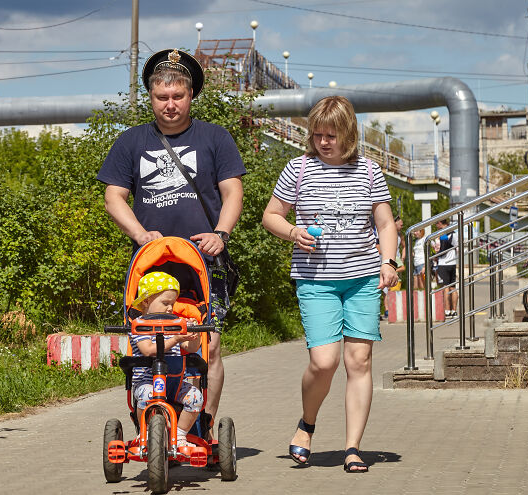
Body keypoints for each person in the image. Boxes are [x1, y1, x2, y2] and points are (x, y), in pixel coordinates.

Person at [97, 48, 246, 429]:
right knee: (146, 342)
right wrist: (140, 234)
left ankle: (203, 425)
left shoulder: (215, 137)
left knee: (208, 344)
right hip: (151, 264)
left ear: (191, 94)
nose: (170, 105)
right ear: (151, 97)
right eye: (161, 97)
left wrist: (221, 234)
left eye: (178, 96)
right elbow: (113, 197)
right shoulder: (131, 142)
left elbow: (233, 192)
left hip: (202, 262)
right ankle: (151, 420)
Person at [261, 96, 398, 472]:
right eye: (318, 134)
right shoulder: (298, 169)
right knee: (324, 362)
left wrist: (388, 262)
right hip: (315, 280)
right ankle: (307, 423)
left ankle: (352, 448)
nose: (323, 141)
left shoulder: (369, 171)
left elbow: (385, 224)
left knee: (359, 362)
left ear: (348, 134)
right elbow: (271, 215)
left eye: (331, 135)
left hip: (363, 279)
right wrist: (293, 232)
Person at [129, 272, 203, 447]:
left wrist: (194, 334)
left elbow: (191, 348)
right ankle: (144, 432)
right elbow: (148, 350)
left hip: (174, 383)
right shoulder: (139, 325)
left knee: (196, 397)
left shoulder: (175, 323)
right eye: (165, 303)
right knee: (147, 395)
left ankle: (180, 435)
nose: (170, 308)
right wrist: (176, 339)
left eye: (172, 304)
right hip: (147, 381)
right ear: (146, 301)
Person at [431, 218, 458, 318]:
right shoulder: (454, 233)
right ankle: (454, 310)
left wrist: (436, 256)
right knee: (453, 287)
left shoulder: (443, 234)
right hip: (452, 263)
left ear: (439, 223)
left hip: (443, 263)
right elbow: (457, 247)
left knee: (445, 287)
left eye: (436, 224)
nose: (436, 226)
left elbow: (442, 250)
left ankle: (447, 311)